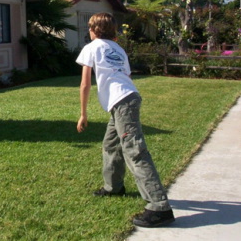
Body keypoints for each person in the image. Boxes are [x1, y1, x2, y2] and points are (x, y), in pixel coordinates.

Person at [75, 12, 175, 228]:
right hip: (128, 99)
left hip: (122, 103)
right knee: (111, 144)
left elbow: (85, 84)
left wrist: (83, 114)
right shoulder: (118, 49)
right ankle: (114, 187)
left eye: (89, 29)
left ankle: (159, 207)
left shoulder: (91, 47)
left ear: (93, 30)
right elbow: (126, 77)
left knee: (135, 151)